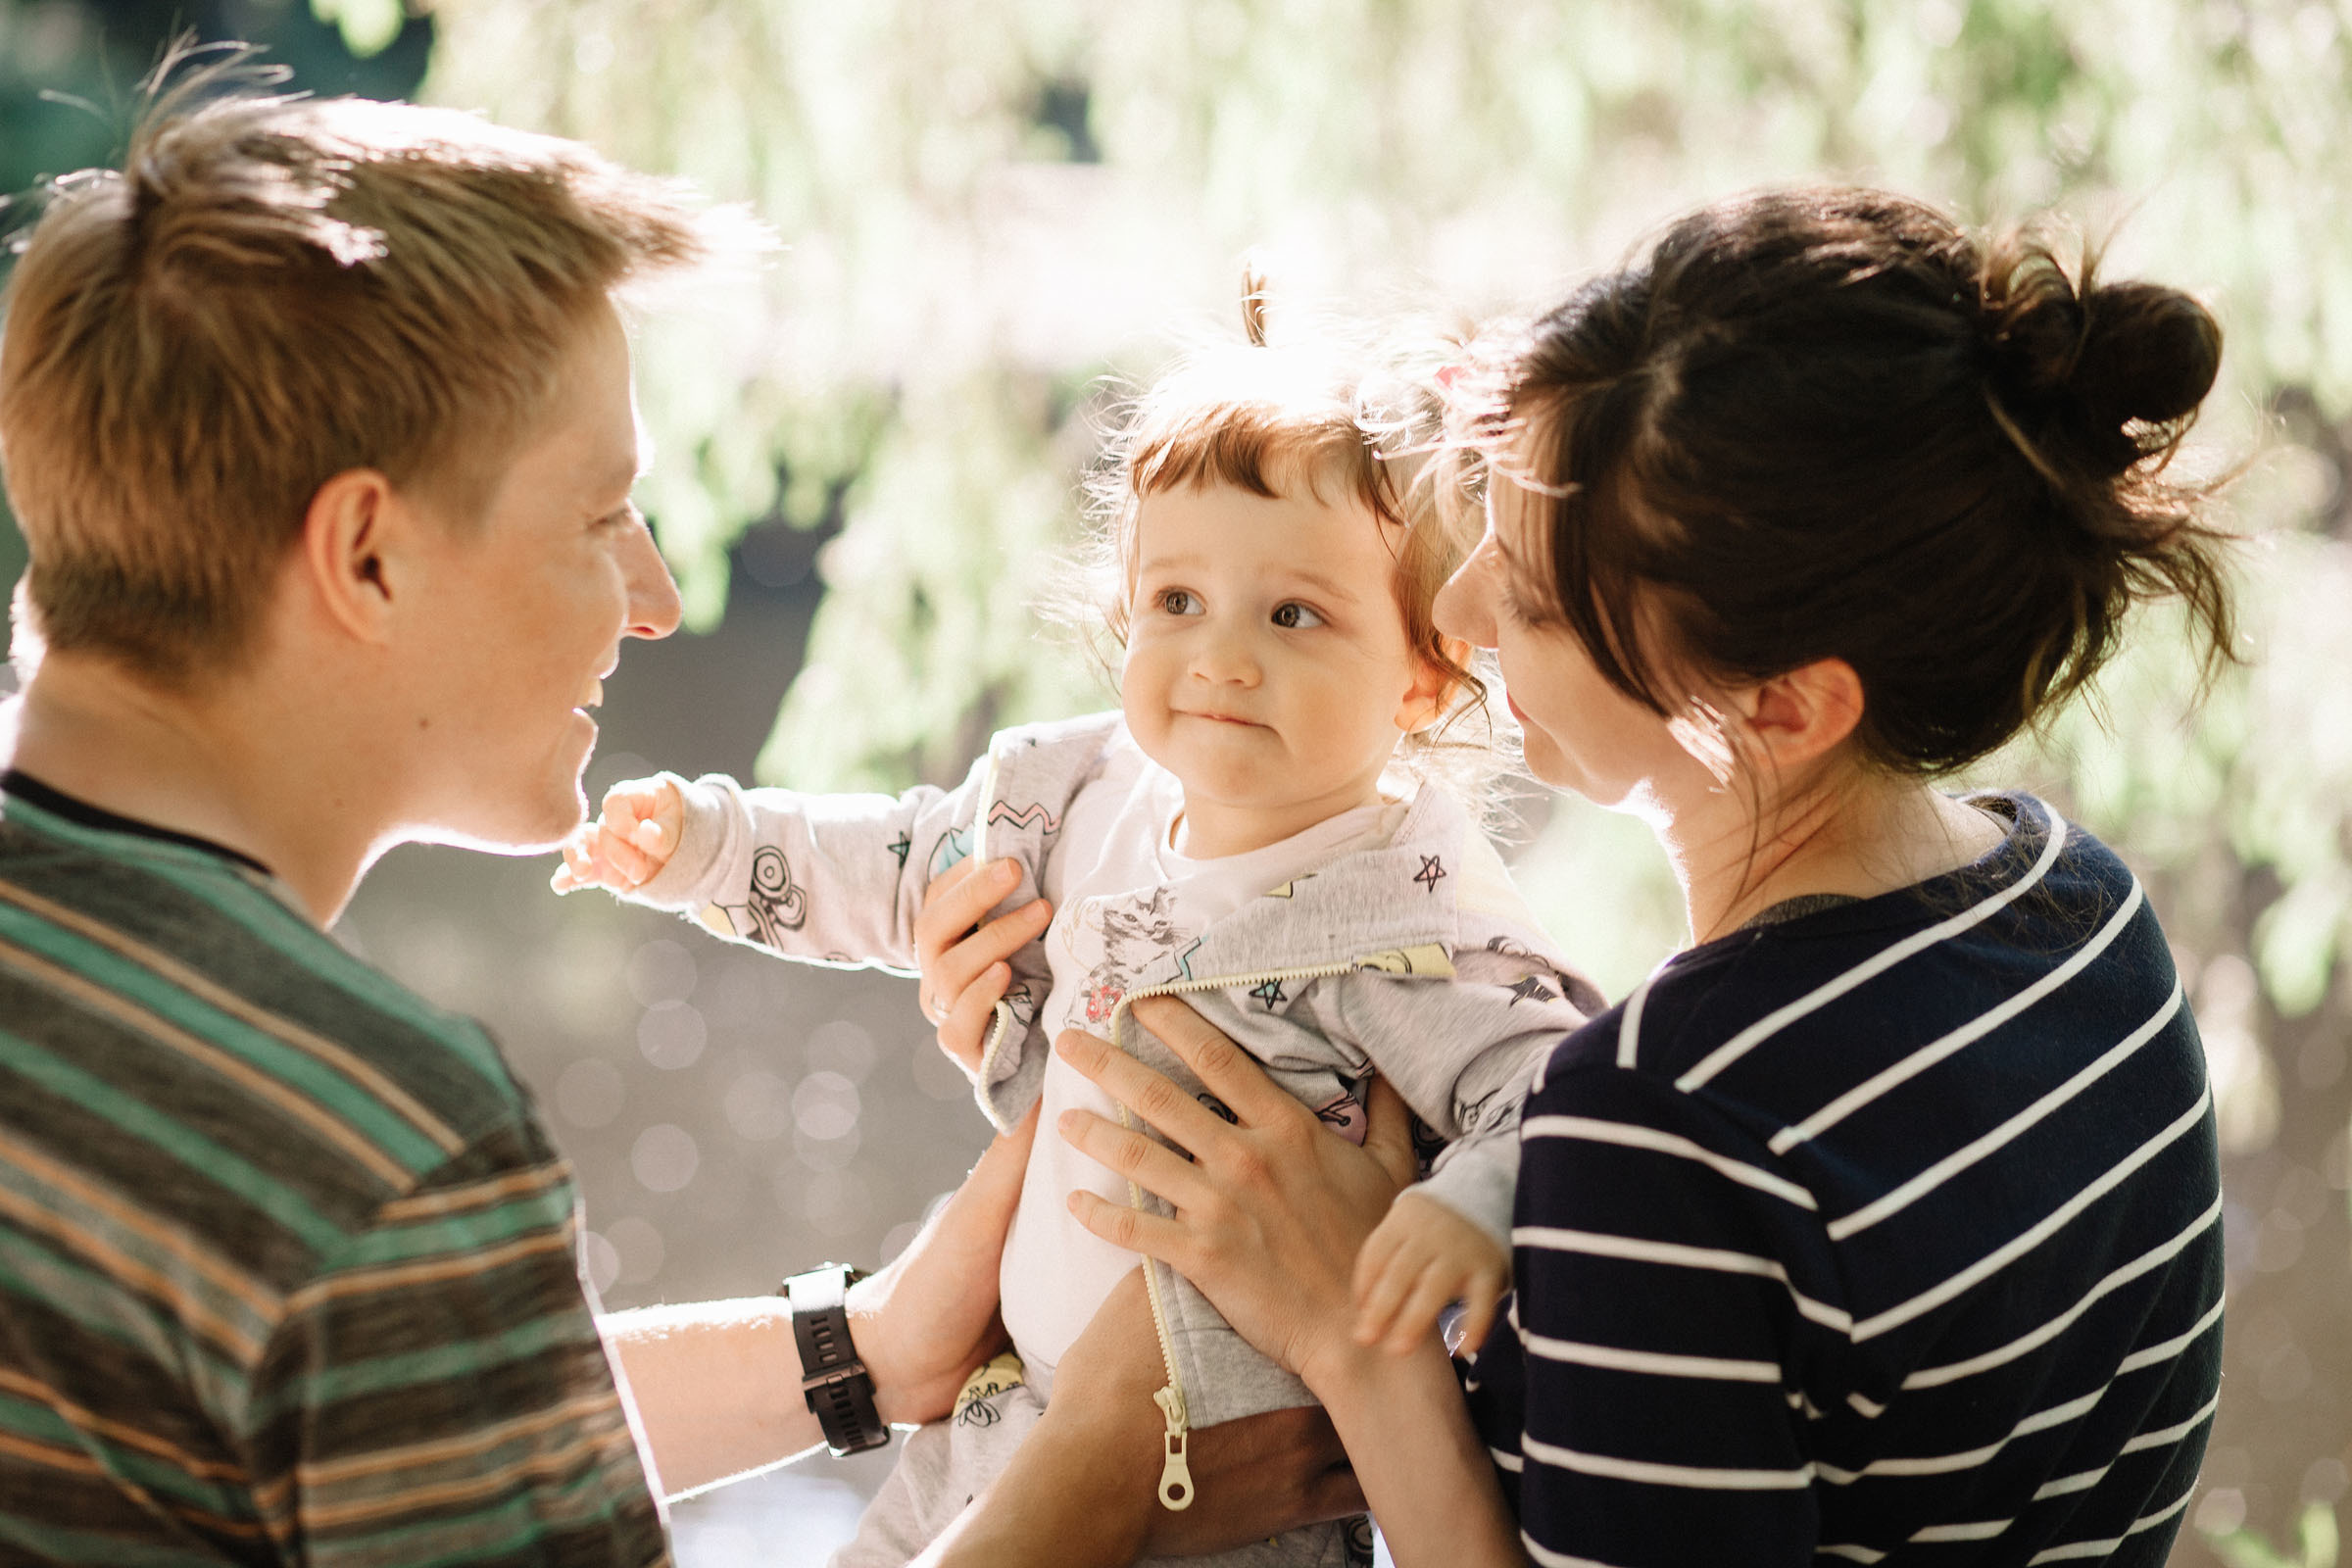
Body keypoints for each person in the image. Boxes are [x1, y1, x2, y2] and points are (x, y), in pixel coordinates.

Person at [924, 187, 2233, 1566]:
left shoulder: (1659, 1127)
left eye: (1538, 600)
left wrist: (1347, 1336)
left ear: (1786, 706)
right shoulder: (2084, 914)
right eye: (1489, 524)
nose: (1462, 610)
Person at [0, 63, 1097, 1565]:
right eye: (598, 518)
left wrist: (870, 1351)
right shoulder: (378, 1156)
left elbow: (333, 1416)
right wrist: (1073, 1509)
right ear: (367, 555)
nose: (654, 601)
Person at [554, 321, 1599, 1567]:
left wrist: (1470, 1210)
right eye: (1177, 601)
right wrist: (710, 847)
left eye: (1293, 614)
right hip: (998, 1418)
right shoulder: (1075, 798)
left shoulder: (1412, 919)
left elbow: (1550, 1094)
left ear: (1424, 679)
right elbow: (901, 864)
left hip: (1240, 1487)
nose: (1221, 654)